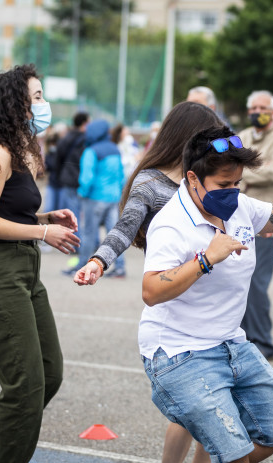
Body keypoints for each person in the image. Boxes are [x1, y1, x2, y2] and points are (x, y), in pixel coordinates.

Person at [74, 100, 223, 463]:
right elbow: (125, 228)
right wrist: (99, 260)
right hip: (177, 303)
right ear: (188, 138)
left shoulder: (204, 178)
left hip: (217, 303)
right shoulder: (151, 182)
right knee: (198, 407)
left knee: (217, 405)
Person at [139, 126, 273, 463]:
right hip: (179, 351)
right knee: (234, 455)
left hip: (230, 343)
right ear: (193, 178)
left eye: (237, 183)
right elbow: (151, 291)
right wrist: (206, 259)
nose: (233, 192)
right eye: (224, 185)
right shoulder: (171, 224)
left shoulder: (239, 206)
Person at [0, 64, 80, 463]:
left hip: (22, 268)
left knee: (49, 374)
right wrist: (43, 234)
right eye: (37, 97)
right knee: (25, 385)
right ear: (15, 104)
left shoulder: (23, 150)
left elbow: (9, 211)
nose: (45, 104)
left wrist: (45, 218)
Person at [238, 90, 273, 360]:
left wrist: (241, 170)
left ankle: (263, 342)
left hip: (269, 222)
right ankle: (242, 338)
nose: (258, 111)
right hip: (239, 219)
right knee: (238, 280)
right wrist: (260, 166)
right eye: (254, 107)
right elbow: (229, 167)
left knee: (256, 284)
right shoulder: (244, 136)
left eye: (263, 107)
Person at [75, 119, 126, 276]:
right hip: (113, 198)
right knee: (114, 235)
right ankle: (120, 267)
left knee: (90, 232)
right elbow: (121, 177)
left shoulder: (91, 151)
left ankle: (83, 264)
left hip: (94, 198)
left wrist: (82, 193)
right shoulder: (115, 150)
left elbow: (87, 178)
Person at [56, 111, 90, 241]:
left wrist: (60, 176)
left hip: (68, 179)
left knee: (72, 213)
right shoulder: (87, 140)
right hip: (83, 180)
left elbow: (59, 158)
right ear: (84, 123)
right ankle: (86, 242)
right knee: (86, 213)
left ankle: (75, 240)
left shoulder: (66, 138)